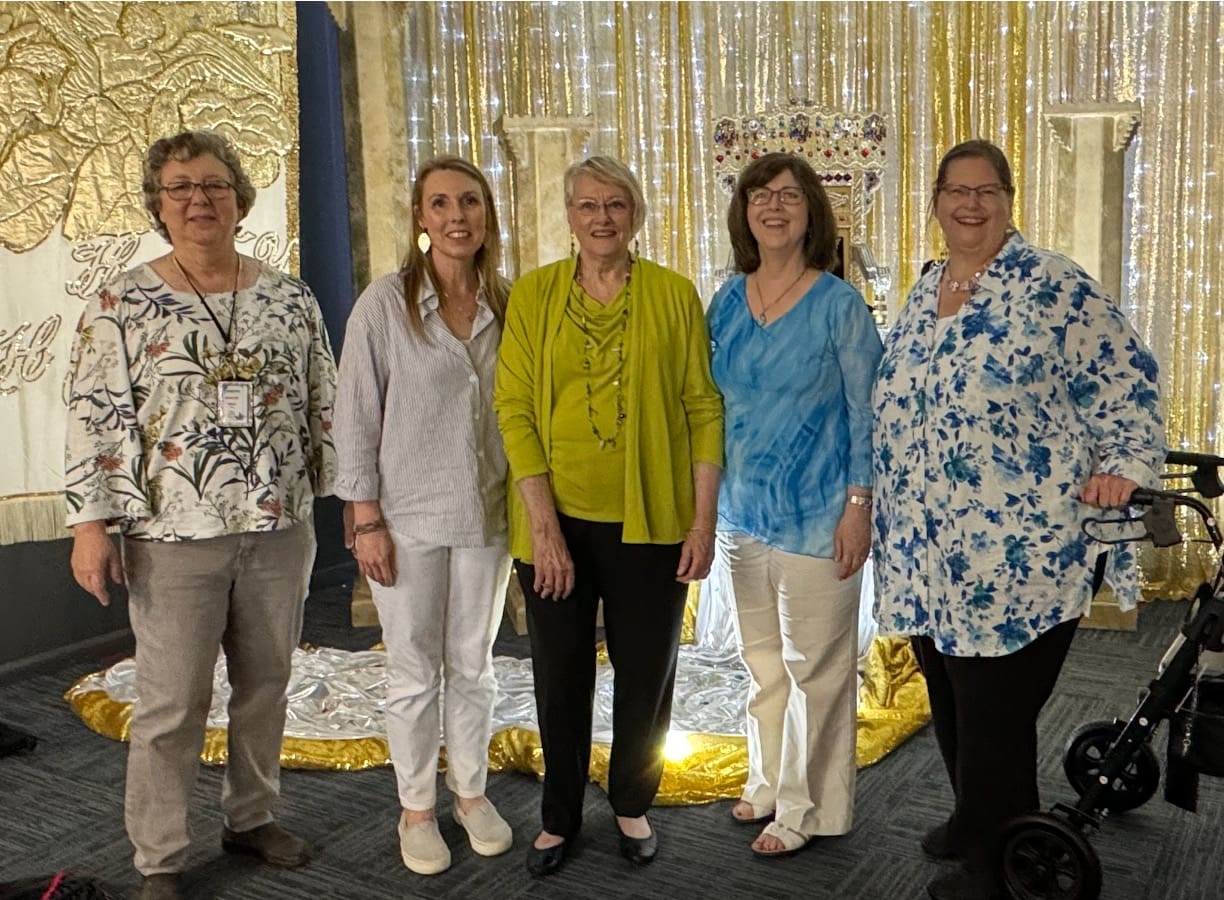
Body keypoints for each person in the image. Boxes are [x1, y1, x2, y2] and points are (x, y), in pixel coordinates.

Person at [871, 139, 1165, 900]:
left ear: (1009, 201)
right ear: (935, 201)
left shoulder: (1052, 285)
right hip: (930, 546)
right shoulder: (928, 285)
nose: (971, 205)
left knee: (994, 714)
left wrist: (1125, 467)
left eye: (987, 192)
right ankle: (975, 819)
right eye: (956, 191)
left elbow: (1126, 378)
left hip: (1016, 551)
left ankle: (1001, 866)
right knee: (947, 692)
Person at [64, 130, 338, 900]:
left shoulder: (289, 296)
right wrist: (91, 525)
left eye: (214, 185)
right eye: (180, 188)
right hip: (171, 533)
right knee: (171, 702)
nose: (198, 200)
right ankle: (160, 858)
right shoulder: (120, 301)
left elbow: (326, 399)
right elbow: (92, 416)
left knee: (267, 682)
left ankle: (251, 816)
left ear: (240, 198)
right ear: (158, 204)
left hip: (278, 526)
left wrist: (353, 503)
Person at [494, 156, 724, 876]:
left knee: (646, 668)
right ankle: (558, 817)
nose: (602, 218)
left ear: (636, 214)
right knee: (559, 672)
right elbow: (516, 410)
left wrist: (702, 520)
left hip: (651, 519)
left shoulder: (674, 294)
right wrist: (545, 528)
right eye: (588, 205)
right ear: (568, 215)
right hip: (551, 520)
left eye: (616, 204)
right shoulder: (532, 297)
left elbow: (701, 407)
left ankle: (631, 801)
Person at [332, 157, 513, 876]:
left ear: (487, 213)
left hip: (488, 515)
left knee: (473, 665)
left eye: (469, 200)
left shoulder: (510, 301)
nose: (456, 215)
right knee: (413, 670)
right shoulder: (383, 304)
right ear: (420, 218)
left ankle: (470, 793)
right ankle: (414, 807)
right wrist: (364, 518)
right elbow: (354, 415)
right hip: (404, 515)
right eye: (440, 203)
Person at [706, 153, 882, 857]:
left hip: (820, 513)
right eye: (759, 196)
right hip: (741, 513)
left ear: (812, 211)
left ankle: (809, 809)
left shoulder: (839, 305)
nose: (773, 207)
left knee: (816, 668)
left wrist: (859, 504)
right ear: (743, 212)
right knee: (764, 664)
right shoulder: (726, 299)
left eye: (787, 196)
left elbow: (869, 414)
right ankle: (770, 780)